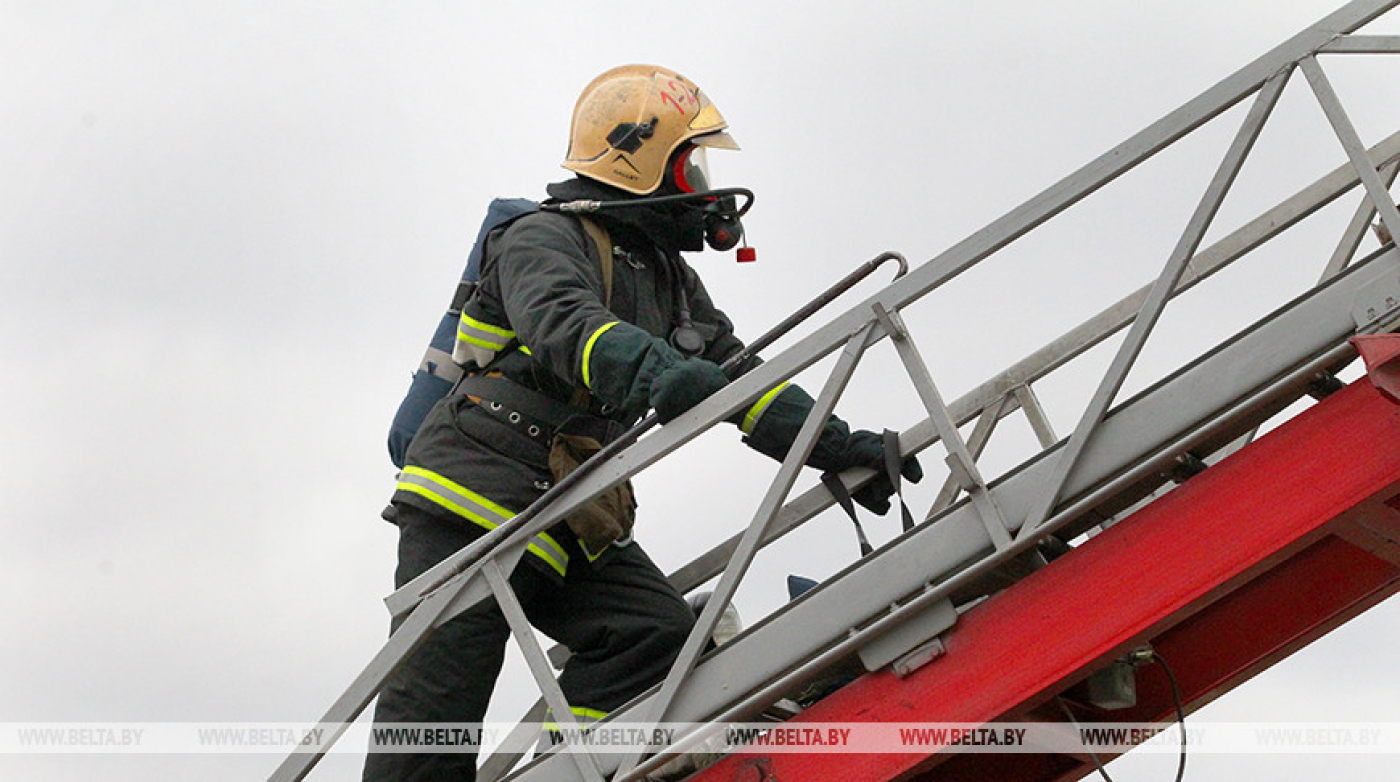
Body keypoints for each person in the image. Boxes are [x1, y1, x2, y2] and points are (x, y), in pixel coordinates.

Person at [364, 64, 921, 781]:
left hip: (568, 505)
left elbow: (738, 378)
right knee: (431, 729)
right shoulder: (540, 237)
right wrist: (658, 372)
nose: (704, 185)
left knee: (654, 636)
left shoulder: (668, 280)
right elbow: (565, 323)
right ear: (639, 158)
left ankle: (573, 770)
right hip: (470, 498)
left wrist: (836, 446)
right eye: (691, 163)